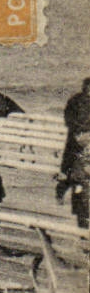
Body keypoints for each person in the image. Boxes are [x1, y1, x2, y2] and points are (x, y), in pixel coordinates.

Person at [56, 78, 90, 227]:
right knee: (75, 177)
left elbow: (68, 119)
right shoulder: (75, 101)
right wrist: (80, 132)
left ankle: (62, 190)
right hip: (76, 143)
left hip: (77, 142)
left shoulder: (74, 101)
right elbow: (69, 120)